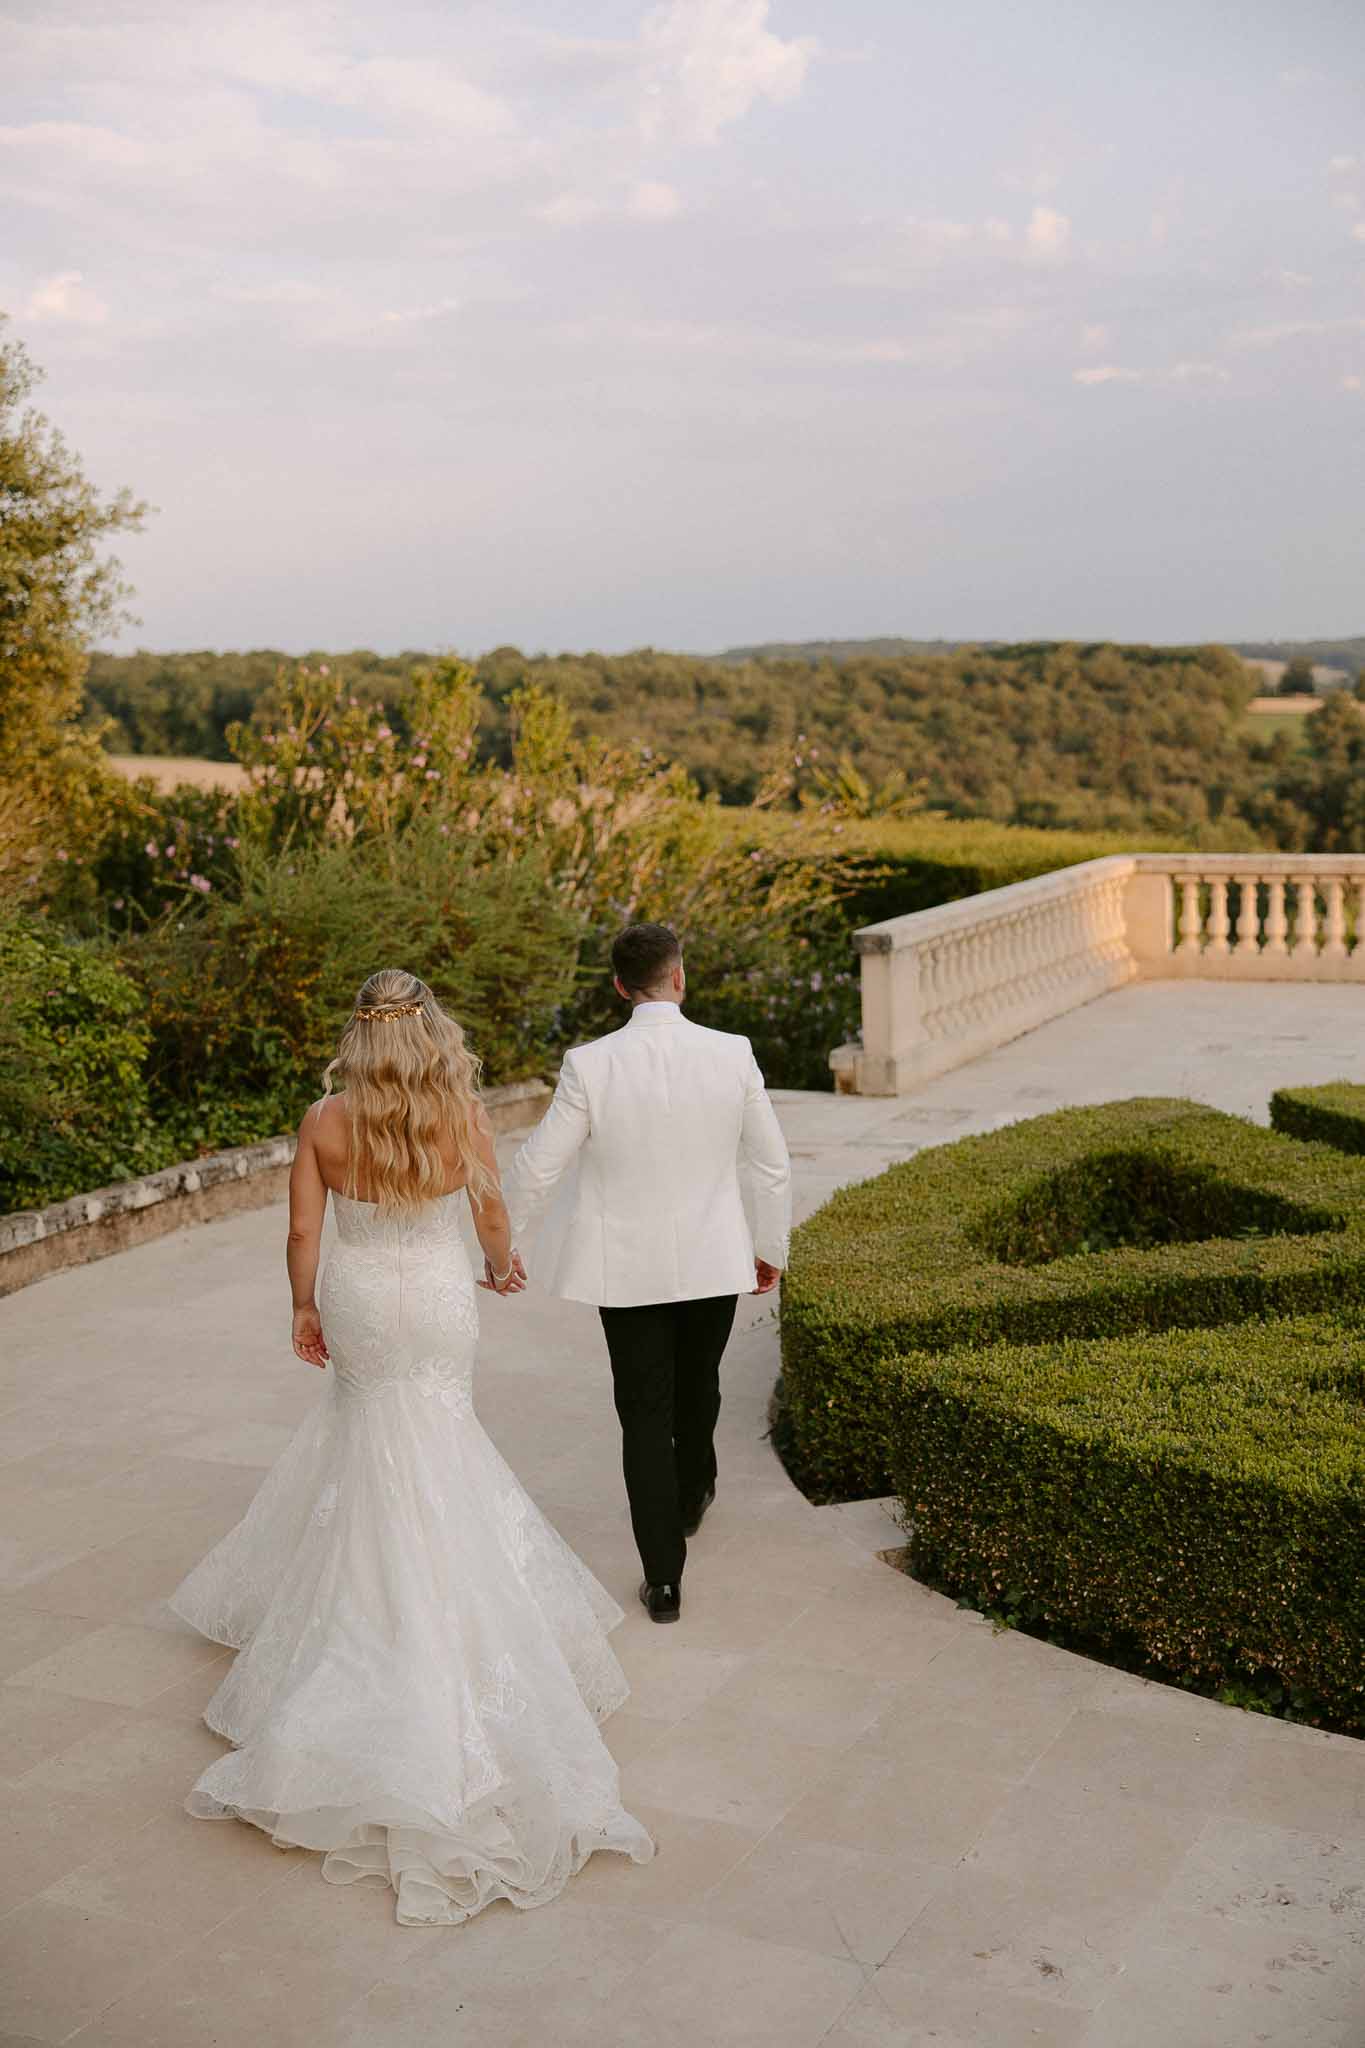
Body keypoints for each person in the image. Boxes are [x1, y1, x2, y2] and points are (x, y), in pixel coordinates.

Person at [168, 968, 653, 1926]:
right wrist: (498, 1266)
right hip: (434, 1301)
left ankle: (370, 1612)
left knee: (367, 1442)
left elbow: (305, 1228)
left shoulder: (323, 1120)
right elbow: (491, 1213)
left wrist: (304, 1305)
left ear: (357, 1032)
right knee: (440, 1438)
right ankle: (454, 1605)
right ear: (431, 1031)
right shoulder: (460, 1115)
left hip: (360, 1298)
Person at [505, 922, 792, 1624]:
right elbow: (770, 1162)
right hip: (713, 1256)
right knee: (700, 1383)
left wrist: (502, 1241)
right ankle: (693, 1491)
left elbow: (539, 1164)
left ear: (617, 986)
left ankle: (662, 1579)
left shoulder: (589, 1064)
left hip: (623, 1267)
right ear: (678, 978)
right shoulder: (732, 1054)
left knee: (643, 1413)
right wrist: (769, 1246)